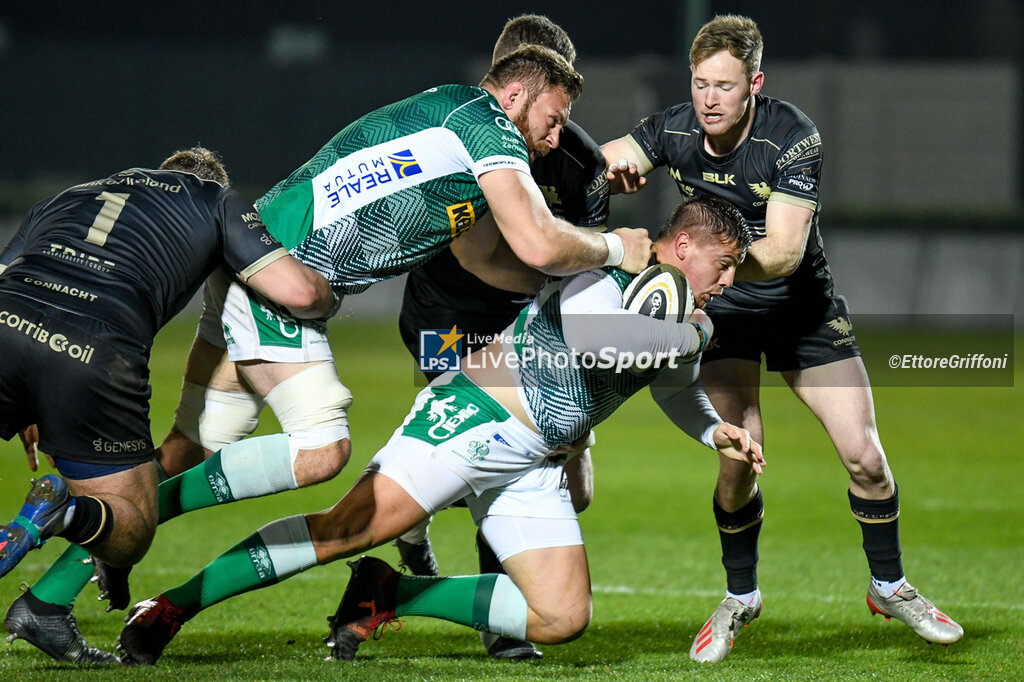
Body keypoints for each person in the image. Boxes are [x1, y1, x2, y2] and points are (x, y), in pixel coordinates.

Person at [4, 43, 653, 664]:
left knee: (186, 453)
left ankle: (52, 594)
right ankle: (86, 524)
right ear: (515, 95)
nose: (554, 136)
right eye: (552, 119)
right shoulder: (486, 125)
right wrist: (617, 249)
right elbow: (538, 246)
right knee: (323, 453)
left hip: (255, 257)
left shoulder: (449, 110)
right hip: (279, 275)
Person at [115, 193, 759, 666]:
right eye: (725, 264)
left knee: (562, 617)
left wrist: (713, 433)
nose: (729, 283)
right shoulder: (608, 272)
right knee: (346, 529)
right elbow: (596, 343)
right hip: (473, 419)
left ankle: (389, 591)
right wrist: (686, 333)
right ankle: (173, 606)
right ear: (683, 247)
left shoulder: (680, 319)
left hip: (536, 459)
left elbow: (675, 388)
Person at [600, 14, 963, 663]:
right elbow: (601, 162)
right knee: (739, 459)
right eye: (701, 83)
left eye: (726, 86)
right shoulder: (671, 128)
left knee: (867, 459)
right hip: (726, 317)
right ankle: (741, 596)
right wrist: (600, 177)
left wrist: (692, 263)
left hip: (803, 313)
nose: (710, 99)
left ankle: (889, 585)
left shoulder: (792, 136)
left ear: (754, 85)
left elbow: (787, 250)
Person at [0, 147, 336, 664]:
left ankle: (47, 604)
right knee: (130, 527)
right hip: (94, 348)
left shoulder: (69, 194)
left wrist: (25, 401)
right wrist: (330, 296)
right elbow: (295, 291)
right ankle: (62, 512)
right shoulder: (215, 199)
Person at [394, 13, 609, 660]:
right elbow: (479, 257)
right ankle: (502, 622)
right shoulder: (461, 137)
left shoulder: (581, 163)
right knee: (502, 454)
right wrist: (583, 253)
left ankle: (412, 517)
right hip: (443, 323)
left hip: (532, 325)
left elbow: (588, 277)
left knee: (579, 487)